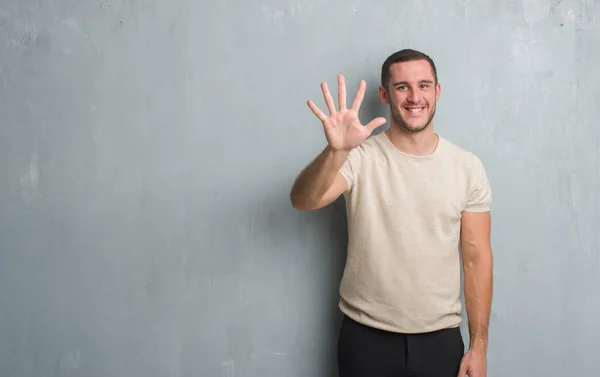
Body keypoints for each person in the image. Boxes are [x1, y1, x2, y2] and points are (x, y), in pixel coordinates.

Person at [290, 49, 493, 377]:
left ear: (437, 91)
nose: (415, 97)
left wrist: (479, 344)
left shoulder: (467, 167)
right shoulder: (358, 156)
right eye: (402, 87)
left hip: (440, 341)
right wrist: (336, 150)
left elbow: (476, 259)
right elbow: (303, 200)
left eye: (424, 86)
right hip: (366, 338)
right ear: (384, 94)